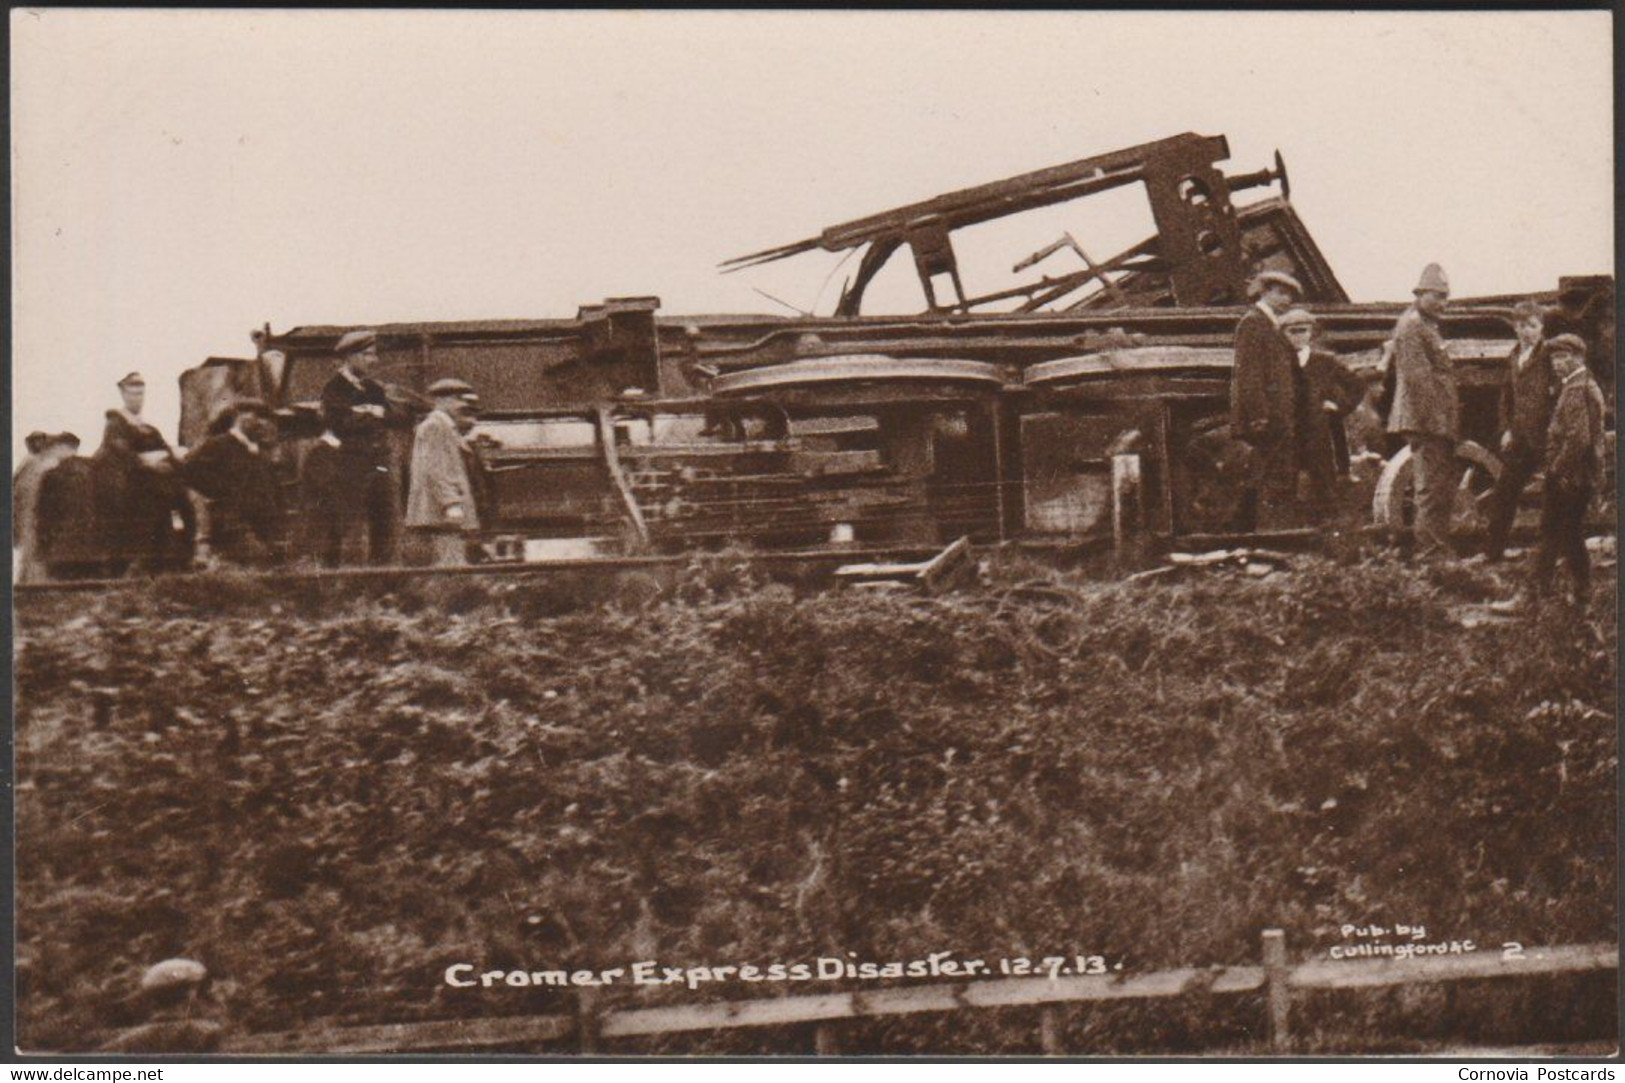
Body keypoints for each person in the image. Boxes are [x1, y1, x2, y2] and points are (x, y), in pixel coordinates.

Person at [1526, 335, 1606, 612]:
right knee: (1570, 534)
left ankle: (1533, 595)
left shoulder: (1576, 389)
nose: (1557, 364)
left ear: (1578, 357)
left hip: (1569, 475)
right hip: (1580, 475)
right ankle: (1582, 594)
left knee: (1550, 531)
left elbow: (1578, 439)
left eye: (1562, 358)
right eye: (1553, 358)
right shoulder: (1580, 385)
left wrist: (1556, 470)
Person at [1386, 263, 1458, 558]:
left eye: (1445, 297)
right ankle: (1430, 549)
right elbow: (1419, 381)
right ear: (1419, 294)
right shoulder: (1413, 325)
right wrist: (1437, 422)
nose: (1442, 303)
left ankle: (1434, 545)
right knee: (1429, 485)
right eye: (1436, 296)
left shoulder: (1423, 324)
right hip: (1426, 419)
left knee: (1435, 482)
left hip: (1429, 418)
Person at [94, 372, 194, 574]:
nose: (137, 399)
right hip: (132, 489)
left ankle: (185, 554)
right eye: (133, 394)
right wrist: (148, 463)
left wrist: (173, 460)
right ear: (123, 394)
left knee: (182, 505)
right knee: (148, 529)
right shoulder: (116, 425)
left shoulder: (149, 428)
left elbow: (166, 450)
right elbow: (121, 454)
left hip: (157, 487)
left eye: (141, 394)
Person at [1482, 301, 1556, 562]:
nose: (1527, 332)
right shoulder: (1514, 356)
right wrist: (1506, 430)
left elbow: (1560, 396)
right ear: (1515, 327)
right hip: (1520, 438)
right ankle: (1493, 555)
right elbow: (1506, 398)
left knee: (1557, 496)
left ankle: (1554, 556)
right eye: (1522, 326)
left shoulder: (1551, 355)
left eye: (1532, 326)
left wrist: (1556, 431)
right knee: (1504, 493)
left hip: (1548, 438)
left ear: (1541, 327)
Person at [1230, 270, 1304, 529]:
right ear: (1264, 292)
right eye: (1281, 293)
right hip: (1266, 417)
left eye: (1291, 295)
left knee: (1270, 471)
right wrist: (1259, 414)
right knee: (1270, 473)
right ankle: (1267, 528)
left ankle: (1259, 527)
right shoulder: (1253, 322)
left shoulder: (1271, 324)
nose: (1287, 300)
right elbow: (1249, 373)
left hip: (1277, 415)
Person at [319, 329, 399, 564]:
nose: (372, 361)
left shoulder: (373, 389)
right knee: (350, 529)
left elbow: (393, 417)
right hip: (349, 469)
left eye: (373, 355)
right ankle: (348, 584)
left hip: (378, 467)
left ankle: (382, 584)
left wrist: (367, 413)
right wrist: (373, 413)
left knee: (383, 528)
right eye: (366, 355)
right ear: (349, 356)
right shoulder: (334, 389)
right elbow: (340, 422)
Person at [1280, 308, 1366, 523]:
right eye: (1292, 331)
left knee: (1325, 485)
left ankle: (1330, 531)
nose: (1298, 336)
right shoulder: (1278, 362)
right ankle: (1292, 533)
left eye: (1303, 331)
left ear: (1311, 333)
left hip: (1319, 434)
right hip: (1287, 433)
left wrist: (1338, 406)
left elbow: (1356, 385)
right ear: (1283, 334)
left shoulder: (1325, 361)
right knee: (1285, 484)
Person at [180, 400, 288, 567]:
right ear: (239, 416)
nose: (262, 423)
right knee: (259, 559)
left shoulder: (260, 453)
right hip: (233, 526)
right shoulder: (218, 444)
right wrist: (224, 490)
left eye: (265, 418)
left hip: (264, 527)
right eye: (256, 416)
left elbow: (273, 491)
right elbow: (189, 470)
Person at [405, 379, 481, 566]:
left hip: (442, 514)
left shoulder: (444, 427)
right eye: (457, 400)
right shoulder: (435, 426)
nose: (461, 405)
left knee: (451, 562)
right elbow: (436, 468)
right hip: (441, 514)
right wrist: (450, 503)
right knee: (449, 565)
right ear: (441, 401)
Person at [36, 433, 105, 580]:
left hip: (62, 550)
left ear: (62, 448)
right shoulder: (96, 471)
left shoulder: (52, 476)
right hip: (94, 548)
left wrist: (42, 547)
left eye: (54, 447)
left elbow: (44, 515)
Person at [13, 431, 54, 583]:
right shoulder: (32, 463)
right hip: (28, 511)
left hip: (28, 511)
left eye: (42, 441)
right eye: (36, 441)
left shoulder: (31, 462)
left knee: (30, 548)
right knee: (31, 546)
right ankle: (30, 582)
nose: (40, 444)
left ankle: (28, 580)